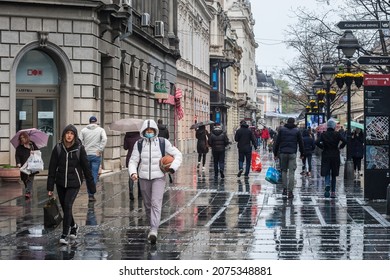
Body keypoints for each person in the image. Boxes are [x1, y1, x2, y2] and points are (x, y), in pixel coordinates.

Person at [128, 119, 182, 244]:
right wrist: (133, 172)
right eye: (147, 131)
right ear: (143, 132)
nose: (149, 132)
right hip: (143, 177)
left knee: (155, 203)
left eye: (151, 130)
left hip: (159, 177)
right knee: (147, 205)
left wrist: (173, 167)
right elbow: (133, 160)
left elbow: (178, 154)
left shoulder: (163, 142)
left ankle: (154, 230)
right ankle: (152, 224)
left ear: (155, 131)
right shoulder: (139, 144)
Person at [47, 124, 96, 245]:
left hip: (74, 182)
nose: (69, 136)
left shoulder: (79, 149)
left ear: (74, 136)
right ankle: (74, 226)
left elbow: (86, 169)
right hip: (60, 182)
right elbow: (52, 168)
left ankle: (64, 233)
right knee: (65, 207)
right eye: (67, 133)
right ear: (64, 135)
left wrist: (91, 187)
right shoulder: (58, 148)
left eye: (71, 133)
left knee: (68, 205)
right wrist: (50, 187)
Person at [273, 117, 304, 199]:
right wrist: (302, 153)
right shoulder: (297, 131)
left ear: (287, 122)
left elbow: (277, 143)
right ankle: (290, 192)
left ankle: (284, 189)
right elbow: (301, 143)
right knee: (291, 172)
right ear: (294, 122)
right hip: (292, 153)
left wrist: (275, 153)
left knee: (283, 171)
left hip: (283, 153)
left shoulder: (282, 130)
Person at [315, 119, 347, 198]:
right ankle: (333, 192)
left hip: (326, 154)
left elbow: (316, 142)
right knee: (334, 174)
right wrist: (340, 147)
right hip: (335, 155)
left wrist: (322, 147)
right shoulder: (337, 134)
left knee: (327, 172)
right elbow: (345, 141)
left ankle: (327, 185)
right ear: (334, 126)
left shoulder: (324, 134)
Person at [79, 116, 107, 202]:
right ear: (96, 122)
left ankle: (90, 193)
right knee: (94, 174)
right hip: (96, 155)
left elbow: (79, 141)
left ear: (89, 121)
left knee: (88, 175)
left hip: (86, 155)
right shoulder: (101, 130)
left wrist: (83, 149)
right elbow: (105, 139)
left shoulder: (83, 130)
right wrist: (100, 149)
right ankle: (91, 194)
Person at [15, 132, 39, 199]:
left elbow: (38, 151)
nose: (22, 139)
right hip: (23, 165)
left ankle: (28, 192)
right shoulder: (19, 147)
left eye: (23, 137)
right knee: (24, 179)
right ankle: (28, 189)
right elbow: (17, 156)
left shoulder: (32, 144)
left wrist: (33, 152)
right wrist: (18, 163)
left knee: (30, 179)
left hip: (32, 165)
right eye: (21, 138)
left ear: (27, 137)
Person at [123, 131, 142, 200]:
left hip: (130, 157)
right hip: (139, 158)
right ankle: (140, 194)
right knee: (139, 175)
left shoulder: (127, 136)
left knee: (131, 175)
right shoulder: (140, 137)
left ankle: (131, 192)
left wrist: (126, 139)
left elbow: (125, 147)